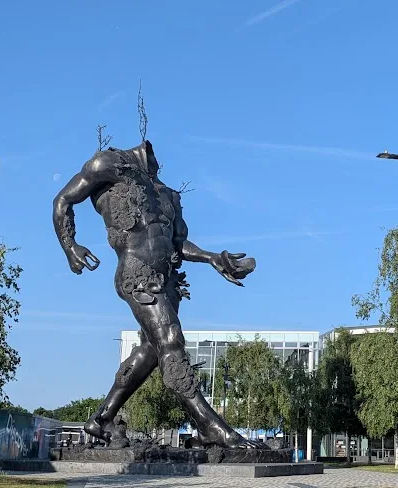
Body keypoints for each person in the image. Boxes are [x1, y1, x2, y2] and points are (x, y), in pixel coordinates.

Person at [52, 139, 263, 449]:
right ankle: (209, 426)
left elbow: (177, 244)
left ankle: (102, 419)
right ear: (146, 148)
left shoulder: (168, 195)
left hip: (167, 281)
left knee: (151, 352)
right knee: (171, 342)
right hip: (136, 274)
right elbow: (63, 200)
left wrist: (212, 257)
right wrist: (71, 247)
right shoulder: (107, 164)